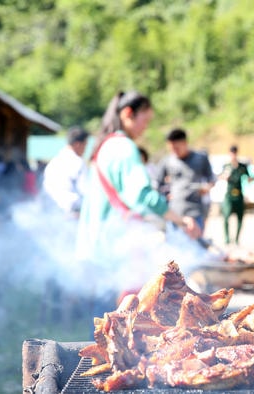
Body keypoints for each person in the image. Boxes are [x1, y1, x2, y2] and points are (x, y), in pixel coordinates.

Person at [76, 91, 200, 319]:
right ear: (128, 114)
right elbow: (143, 195)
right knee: (118, 320)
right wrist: (181, 220)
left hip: (98, 242)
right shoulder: (124, 148)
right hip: (116, 246)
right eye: (145, 120)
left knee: (104, 319)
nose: (146, 127)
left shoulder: (104, 147)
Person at [154, 128, 215, 235]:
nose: (174, 151)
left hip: (195, 212)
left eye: (177, 148)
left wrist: (207, 188)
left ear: (185, 143)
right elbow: (157, 184)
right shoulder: (167, 161)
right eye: (171, 148)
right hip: (175, 213)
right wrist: (165, 194)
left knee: (196, 247)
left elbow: (212, 178)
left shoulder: (200, 158)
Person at [42, 126, 89, 216]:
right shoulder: (78, 162)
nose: (85, 149)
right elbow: (85, 190)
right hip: (72, 212)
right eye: (85, 145)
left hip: (52, 211)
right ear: (77, 144)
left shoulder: (53, 162)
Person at [220, 145, 250, 245]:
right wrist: (225, 176)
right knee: (226, 216)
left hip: (239, 194)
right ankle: (227, 239)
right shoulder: (226, 166)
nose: (233, 155)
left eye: (234, 153)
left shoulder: (242, 166)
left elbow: (248, 177)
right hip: (229, 194)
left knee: (240, 217)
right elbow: (220, 176)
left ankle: (236, 239)